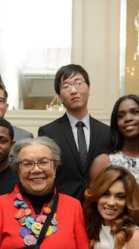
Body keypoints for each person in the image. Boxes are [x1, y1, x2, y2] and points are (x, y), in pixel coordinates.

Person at [39, 64, 110, 202]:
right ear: (60, 96)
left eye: (78, 83)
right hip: (61, 207)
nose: (73, 90)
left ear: (89, 88)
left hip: (99, 208)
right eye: (66, 86)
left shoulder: (107, 132)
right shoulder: (48, 132)